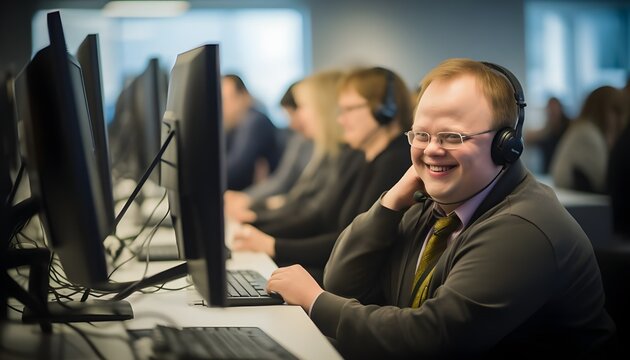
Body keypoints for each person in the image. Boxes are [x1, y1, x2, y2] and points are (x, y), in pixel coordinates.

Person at [265, 59, 615, 357]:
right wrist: (389, 204)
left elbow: (432, 339)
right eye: (421, 135)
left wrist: (316, 301)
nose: (431, 150)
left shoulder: (524, 227)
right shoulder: (432, 203)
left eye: (452, 136)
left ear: (505, 145)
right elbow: (343, 283)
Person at [232, 67, 413, 283]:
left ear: (385, 109)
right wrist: (259, 228)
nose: (340, 120)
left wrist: (273, 245)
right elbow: (321, 218)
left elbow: (350, 241)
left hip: (352, 284)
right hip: (335, 272)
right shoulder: (361, 157)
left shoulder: (394, 162)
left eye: (349, 109)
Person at [225, 81, 314, 218]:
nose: (291, 124)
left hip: (284, 202)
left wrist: (247, 199)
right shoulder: (300, 139)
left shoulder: (254, 120)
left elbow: (237, 166)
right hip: (280, 200)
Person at [550, 86, 627, 193]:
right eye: (615, 111)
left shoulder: (583, 128)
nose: (621, 119)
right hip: (582, 203)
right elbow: (605, 182)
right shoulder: (588, 134)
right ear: (601, 110)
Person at [221, 74, 282, 190]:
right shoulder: (233, 125)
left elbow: (235, 170)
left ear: (244, 97)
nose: (222, 107)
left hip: (262, 195)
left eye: (225, 100)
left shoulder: (255, 121)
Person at [524, 97, 570, 173]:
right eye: (550, 110)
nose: (551, 112)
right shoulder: (547, 131)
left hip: (563, 172)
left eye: (554, 109)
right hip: (549, 173)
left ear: (560, 109)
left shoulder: (569, 130)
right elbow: (528, 139)